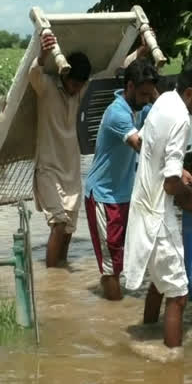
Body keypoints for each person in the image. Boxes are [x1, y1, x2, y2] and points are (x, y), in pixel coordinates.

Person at [123, 57, 192, 348]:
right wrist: (189, 198)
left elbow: (155, 152)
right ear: (189, 94)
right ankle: (171, 362)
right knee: (178, 294)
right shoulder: (181, 119)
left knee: (158, 282)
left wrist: (180, 171)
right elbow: (170, 183)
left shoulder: (164, 101)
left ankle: (148, 332)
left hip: (142, 205)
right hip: (158, 216)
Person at [28, 32, 121, 268]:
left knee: (68, 229)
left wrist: (139, 52)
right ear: (65, 75)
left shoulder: (80, 91)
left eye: (80, 85)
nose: (76, 88)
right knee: (58, 224)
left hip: (71, 169)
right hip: (47, 168)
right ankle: (51, 281)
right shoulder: (47, 87)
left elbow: (110, 70)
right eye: (73, 83)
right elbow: (33, 73)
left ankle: (60, 274)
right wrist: (43, 52)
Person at [84, 55, 160, 300]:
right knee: (112, 268)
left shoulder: (140, 107)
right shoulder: (118, 113)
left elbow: (161, 113)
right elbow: (142, 147)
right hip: (104, 197)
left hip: (125, 194)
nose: (148, 100)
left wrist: (154, 97)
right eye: (144, 94)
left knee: (126, 257)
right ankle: (113, 315)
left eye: (151, 95)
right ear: (129, 87)